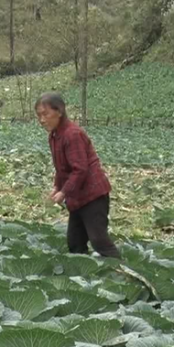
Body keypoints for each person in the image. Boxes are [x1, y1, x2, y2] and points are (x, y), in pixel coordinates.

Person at [35, 92, 120, 259]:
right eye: (39, 115)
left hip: (93, 194)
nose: (42, 120)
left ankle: (121, 271)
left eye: (45, 114)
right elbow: (61, 168)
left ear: (59, 111)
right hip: (77, 196)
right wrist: (57, 187)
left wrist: (63, 192)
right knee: (75, 242)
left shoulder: (72, 134)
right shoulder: (54, 136)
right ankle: (83, 278)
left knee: (99, 240)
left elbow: (80, 169)